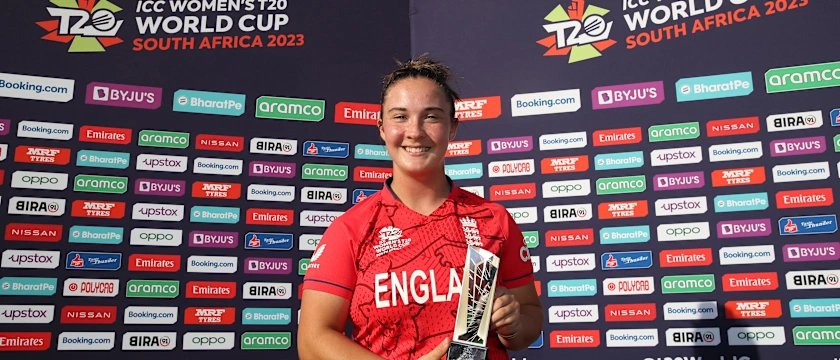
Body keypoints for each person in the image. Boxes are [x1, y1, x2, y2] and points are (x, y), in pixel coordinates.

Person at [298, 54, 543, 360]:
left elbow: (528, 323)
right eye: (400, 117)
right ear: (382, 128)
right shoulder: (350, 229)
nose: (415, 131)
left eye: (431, 116)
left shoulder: (493, 219)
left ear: (452, 128)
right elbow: (312, 340)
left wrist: (512, 324)